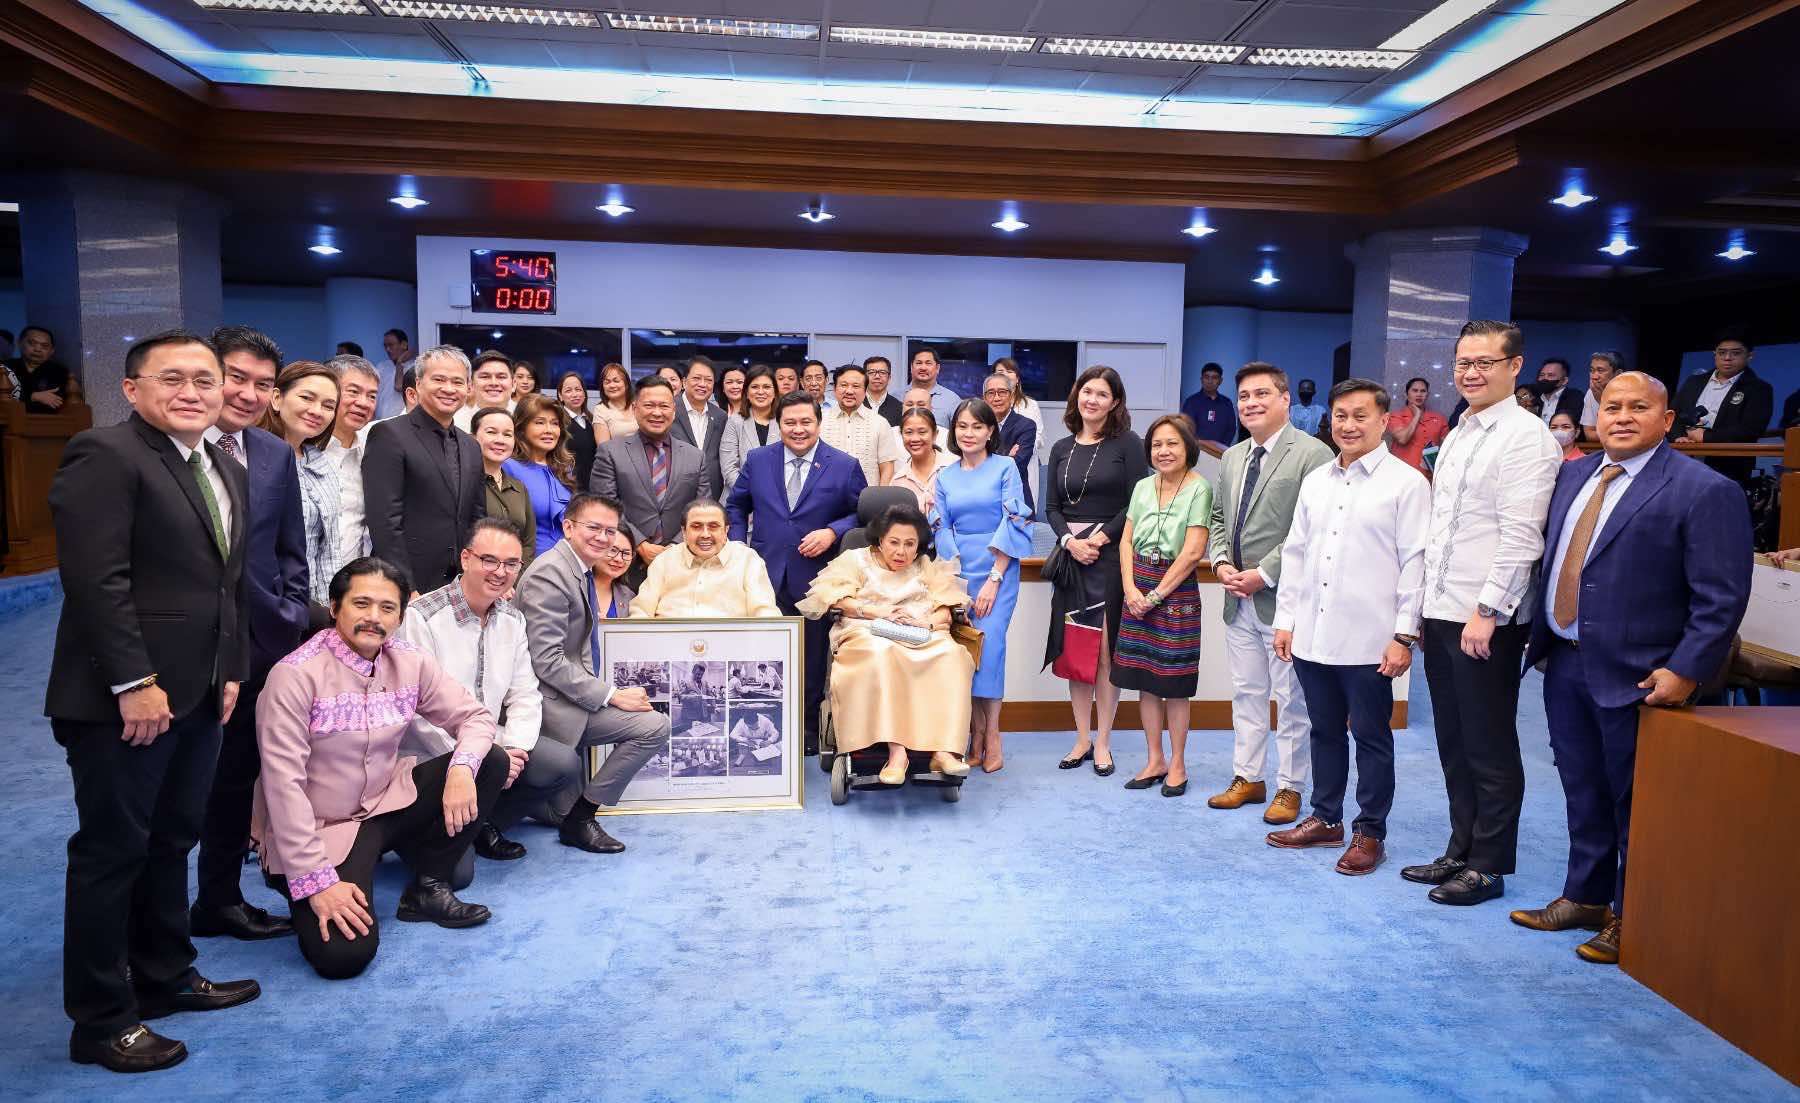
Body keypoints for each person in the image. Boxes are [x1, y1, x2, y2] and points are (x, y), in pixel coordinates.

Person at [47, 329, 256, 1073]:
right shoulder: (107, 454)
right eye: (174, 378)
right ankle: (102, 1018)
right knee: (112, 851)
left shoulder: (221, 467)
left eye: (206, 378)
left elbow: (222, 585)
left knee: (174, 838)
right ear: (132, 388)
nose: (195, 391)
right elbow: (96, 581)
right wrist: (133, 682)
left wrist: (230, 668)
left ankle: (164, 975)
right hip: (123, 699)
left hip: (201, 691)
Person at [1511, 372, 1752, 963]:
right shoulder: (1573, 474)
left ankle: (1631, 911)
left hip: (1643, 676)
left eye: (1638, 407)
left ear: (1666, 420)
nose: (1621, 416)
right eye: (1612, 406)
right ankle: (1585, 896)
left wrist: (1686, 669)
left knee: (1635, 802)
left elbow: (1720, 597)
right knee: (1581, 789)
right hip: (1565, 662)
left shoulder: (1703, 489)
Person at [253, 558, 511, 980]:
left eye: (388, 608)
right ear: (335, 607)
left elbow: (476, 719)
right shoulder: (294, 676)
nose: (375, 618)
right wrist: (317, 883)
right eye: (362, 604)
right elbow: (284, 789)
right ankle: (302, 884)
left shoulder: (410, 661)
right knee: (343, 957)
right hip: (321, 827)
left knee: (489, 761)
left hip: (385, 805)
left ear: (400, 616)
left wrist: (462, 770)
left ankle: (427, 889)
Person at [1407, 320, 1562, 907]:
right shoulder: (1463, 430)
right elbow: (1442, 528)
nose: (1471, 372)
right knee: (1453, 737)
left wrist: (1488, 609)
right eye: (1463, 362)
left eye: (1485, 362)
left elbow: (1521, 536)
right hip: (1444, 609)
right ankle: (1460, 848)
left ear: (1515, 365)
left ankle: (1490, 866)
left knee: (1490, 743)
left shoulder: (1525, 437)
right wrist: (1424, 607)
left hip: (1485, 616)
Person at [1267, 379, 1430, 876]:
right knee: (1323, 732)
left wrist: (1404, 635)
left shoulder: (1406, 484)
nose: (1349, 425)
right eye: (1341, 415)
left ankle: (1369, 832)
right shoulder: (1317, 480)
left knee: (1372, 736)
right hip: (1314, 635)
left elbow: (1416, 563)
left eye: (1361, 415)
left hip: (1370, 641)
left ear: (1385, 421)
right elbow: (1295, 553)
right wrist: (1286, 620)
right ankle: (1325, 817)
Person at [193, 325, 311, 943]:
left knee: (239, 775)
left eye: (262, 384)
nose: (248, 394)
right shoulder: (171, 451)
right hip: (186, 649)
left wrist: (292, 613)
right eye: (236, 377)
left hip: (263, 640)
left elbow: (291, 547)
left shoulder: (271, 455)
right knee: (175, 789)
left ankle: (217, 898)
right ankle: (147, 934)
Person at [1205, 362, 1334, 824]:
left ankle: (1290, 787)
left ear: (1284, 399)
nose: (1251, 403)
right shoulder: (1235, 455)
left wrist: (1263, 572)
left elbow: (1311, 529)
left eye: (1261, 394)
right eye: (1243, 397)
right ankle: (1249, 777)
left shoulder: (1314, 454)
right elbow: (1219, 518)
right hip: (1236, 597)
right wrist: (1221, 562)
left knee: (1291, 698)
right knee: (1246, 692)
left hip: (1284, 599)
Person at [516, 494, 671, 854]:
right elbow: (547, 660)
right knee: (555, 808)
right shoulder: (550, 574)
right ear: (568, 527)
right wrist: (610, 694)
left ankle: (582, 816)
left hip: (573, 700)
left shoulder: (579, 569)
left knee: (653, 725)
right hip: (550, 708)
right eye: (594, 528)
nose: (603, 538)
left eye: (610, 531)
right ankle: (512, 809)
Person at [398, 519, 544, 867]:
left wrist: (511, 749)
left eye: (511, 564)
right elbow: (415, 711)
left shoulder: (513, 619)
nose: (500, 572)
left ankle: (481, 821)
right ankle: (421, 830)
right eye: (489, 560)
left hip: (489, 744)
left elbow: (526, 693)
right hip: (432, 755)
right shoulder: (422, 617)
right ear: (466, 559)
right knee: (457, 875)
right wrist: (479, 759)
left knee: (559, 767)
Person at [726, 392, 867, 749]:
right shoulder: (758, 459)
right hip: (763, 574)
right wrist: (740, 546)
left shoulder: (843, 465)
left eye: (806, 422)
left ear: (819, 424)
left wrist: (832, 531)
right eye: (790, 422)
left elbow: (862, 514)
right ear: (779, 424)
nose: (798, 429)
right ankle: (766, 723)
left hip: (816, 578)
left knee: (810, 657)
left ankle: (803, 731)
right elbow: (736, 504)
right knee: (764, 656)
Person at [798, 504, 975, 782]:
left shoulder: (925, 566)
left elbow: (947, 605)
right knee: (882, 653)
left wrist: (925, 623)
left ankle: (943, 750)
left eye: (910, 544)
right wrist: (875, 611)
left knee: (952, 655)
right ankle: (897, 753)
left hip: (916, 630)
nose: (901, 552)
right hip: (866, 629)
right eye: (894, 542)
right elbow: (832, 598)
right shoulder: (855, 560)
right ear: (880, 539)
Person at [1045, 366, 1146, 777]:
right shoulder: (1060, 447)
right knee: (1076, 653)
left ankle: (1103, 740)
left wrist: (1100, 539)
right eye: (1087, 392)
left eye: (1102, 394)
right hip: (1071, 559)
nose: (1092, 400)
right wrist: (1070, 542)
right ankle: (1081, 737)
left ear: (1115, 402)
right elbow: (1051, 507)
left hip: (1107, 557)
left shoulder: (1128, 444)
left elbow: (1136, 501)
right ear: (1077, 397)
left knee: (1104, 652)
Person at [1112, 415, 1212, 797]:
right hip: (1137, 584)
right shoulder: (1141, 487)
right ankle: (1154, 758)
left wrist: (1154, 596)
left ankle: (1178, 764)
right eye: (1157, 444)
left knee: (1174, 684)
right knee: (1144, 681)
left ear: (1188, 447)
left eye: (1172, 443)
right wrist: (1130, 589)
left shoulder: (1199, 488)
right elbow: (1126, 542)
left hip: (1175, 593)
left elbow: (1192, 552)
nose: (1164, 451)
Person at [935, 398, 1034, 773]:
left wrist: (994, 578)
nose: (969, 433)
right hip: (958, 573)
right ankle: (972, 736)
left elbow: (1014, 520)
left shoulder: (1005, 467)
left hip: (998, 570)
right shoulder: (945, 476)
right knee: (964, 656)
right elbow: (940, 526)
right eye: (962, 426)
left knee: (989, 652)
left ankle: (992, 736)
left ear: (991, 431)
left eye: (977, 426)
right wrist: (955, 578)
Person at [364, 345, 485, 594]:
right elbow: (385, 521)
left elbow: (477, 518)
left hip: (461, 584)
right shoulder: (389, 434)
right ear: (418, 385)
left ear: (468, 388)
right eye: (438, 379)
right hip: (409, 584)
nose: (449, 389)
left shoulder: (471, 445)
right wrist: (405, 585)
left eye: (458, 382)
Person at [589, 375, 712, 584]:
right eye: (649, 405)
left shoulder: (695, 456)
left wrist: (675, 548)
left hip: (682, 565)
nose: (657, 412)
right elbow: (605, 508)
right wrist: (640, 545)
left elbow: (701, 509)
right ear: (635, 408)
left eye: (664, 406)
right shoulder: (611, 452)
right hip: (625, 564)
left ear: (673, 411)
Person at [260, 361, 344, 605]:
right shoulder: (252, 458)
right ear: (276, 398)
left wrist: (332, 606)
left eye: (328, 405)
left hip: (315, 605)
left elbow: (328, 548)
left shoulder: (320, 462)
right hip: (270, 603)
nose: (317, 411)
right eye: (307, 398)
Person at [629, 498, 781, 618]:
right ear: (684, 531)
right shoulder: (664, 560)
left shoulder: (748, 560)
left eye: (713, 526)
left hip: (732, 651)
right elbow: (641, 612)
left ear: (726, 530)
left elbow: (765, 614)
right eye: (696, 526)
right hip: (669, 650)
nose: (705, 534)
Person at [1673, 328, 1775, 485]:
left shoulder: (1759, 389)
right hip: (1684, 461)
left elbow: (1751, 429)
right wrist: (1678, 437)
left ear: (1749, 356)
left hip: (1729, 467)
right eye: (1722, 353)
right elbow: (1673, 415)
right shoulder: (1694, 382)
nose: (1727, 358)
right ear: (1715, 354)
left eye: (1735, 353)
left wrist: (1705, 437)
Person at [504, 394, 576, 559]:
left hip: (567, 562)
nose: (549, 430)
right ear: (521, 428)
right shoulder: (508, 467)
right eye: (539, 422)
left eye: (555, 423)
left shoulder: (564, 468)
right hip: (530, 564)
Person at [324, 354, 380, 564]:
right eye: (354, 392)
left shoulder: (373, 452)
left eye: (372, 396)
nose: (363, 403)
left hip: (352, 583)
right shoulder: (299, 450)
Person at [471, 406, 536, 567]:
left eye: (507, 434)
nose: (500, 440)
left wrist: (514, 576)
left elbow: (528, 542)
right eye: (491, 432)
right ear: (472, 438)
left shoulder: (519, 488)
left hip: (512, 582)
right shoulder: (463, 483)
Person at [820, 362, 902, 487]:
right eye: (843, 385)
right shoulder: (820, 421)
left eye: (856, 386)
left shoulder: (880, 423)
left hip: (867, 500)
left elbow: (887, 467)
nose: (849, 391)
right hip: (826, 498)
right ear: (835, 389)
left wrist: (880, 500)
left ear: (865, 390)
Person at [991, 357, 1046, 506]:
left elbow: (1039, 437)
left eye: (1009, 371)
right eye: (1000, 372)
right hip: (994, 470)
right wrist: (1006, 455)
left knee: (1023, 503)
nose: (1005, 375)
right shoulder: (988, 406)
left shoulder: (1030, 405)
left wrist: (1023, 445)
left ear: (1017, 379)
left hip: (1026, 461)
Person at [673, 356, 729, 495]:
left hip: (711, 493)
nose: (703, 384)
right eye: (697, 378)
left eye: (708, 380)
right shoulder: (669, 409)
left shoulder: (720, 416)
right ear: (684, 382)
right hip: (675, 492)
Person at [983, 372, 1037, 511]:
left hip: (1016, 503)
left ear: (1012, 396)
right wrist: (1007, 457)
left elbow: (1017, 466)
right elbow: (971, 466)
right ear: (984, 398)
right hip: (984, 503)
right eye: (991, 393)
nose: (996, 398)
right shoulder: (977, 427)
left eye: (1002, 392)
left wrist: (987, 461)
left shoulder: (1026, 425)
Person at [720, 365, 778, 492]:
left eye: (766, 387)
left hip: (777, 500)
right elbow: (729, 469)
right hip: (740, 500)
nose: (761, 392)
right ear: (746, 392)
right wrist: (752, 494)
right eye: (755, 387)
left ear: (775, 393)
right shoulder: (735, 421)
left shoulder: (784, 421)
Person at [1386, 376, 1449, 477]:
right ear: (1407, 394)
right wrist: (1417, 415)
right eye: (1415, 391)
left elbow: (1448, 447)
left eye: (1423, 391)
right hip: (1401, 475)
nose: (1419, 394)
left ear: (1427, 395)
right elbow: (1402, 439)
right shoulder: (1396, 416)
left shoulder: (1439, 418)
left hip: (1429, 476)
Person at [892, 407, 953, 511]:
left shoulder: (953, 469)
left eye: (922, 432)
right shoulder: (897, 482)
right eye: (909, 432)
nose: (915, 439)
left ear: (935, 434)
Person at [7, 324, 73, 412]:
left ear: (52, 351)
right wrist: (33, 396)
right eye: (32, 343)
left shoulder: (59, 371)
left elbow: (57, 401)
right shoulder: (5, 367)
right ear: (19, 343)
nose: (37, 349)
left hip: (46, 422)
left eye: (44, 346)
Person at [454, 350, 518, 432]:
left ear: (514, 384)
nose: (493, 383)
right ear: (470, 384)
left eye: (501, 377)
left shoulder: (526, 419)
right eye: (485, 377)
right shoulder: (456, 423)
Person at [556, 370, 599, 489]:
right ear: (560, 395)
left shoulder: (592, 420)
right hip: (570, 487)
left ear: (584, 393)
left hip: (593, 486)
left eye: (578, 389)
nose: (575, 394)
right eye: (568, 390)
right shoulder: (558, 422)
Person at [1181, 362, 1237, 446]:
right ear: (1201, 379)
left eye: (1214, 378)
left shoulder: (1226, 403)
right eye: (1206, 377)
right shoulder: (1191, 402)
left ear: (1220, 381)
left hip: (1219, 453)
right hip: (1196, 451)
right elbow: (1186, 428)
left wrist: (1220, 448)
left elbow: (1231, 429)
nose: (1210, 381)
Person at [909, 347, 962, 425]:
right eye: (919, 363)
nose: (923, 368)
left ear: (937, 368)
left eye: (928, 363)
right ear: (911, 367)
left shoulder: (953, 400)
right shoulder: (896, 396)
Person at [1580, 352, 1623, 443]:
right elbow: (1589, 434)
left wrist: (1602, 402)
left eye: (1600, 371)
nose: (1594, 377)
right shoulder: (1591, 393)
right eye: (1592, 370)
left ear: (1618, 374)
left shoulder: (1632, 393)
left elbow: (1624, 431)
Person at [592, 361, 637, 444]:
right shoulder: (601, 410)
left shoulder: (638, 405)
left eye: (616, 381)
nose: (612, 385)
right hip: (618, 456)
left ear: (626, 384)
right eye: (607, 382)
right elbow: (604, 449)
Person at [375, 327, 413, 420]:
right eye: (385, 346)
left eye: (391, 345)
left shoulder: (414, 367)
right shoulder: (382, 366)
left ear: (404, 345)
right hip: (379, 422)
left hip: (401, 422)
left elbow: (399, 386)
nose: (387, 349)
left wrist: (399, 364)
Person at [1534, 357, 1584, 425]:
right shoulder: (1534, 397)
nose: (1545, 378)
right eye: (1542, 375)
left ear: (1564, 381)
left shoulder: (1575, 398)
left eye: (1550, 375)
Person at [864, 355, 903, 426]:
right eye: (872, 372)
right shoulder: (855, 404)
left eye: (882, 372)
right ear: (864, 377)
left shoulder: (900, 408)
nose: (877, 376)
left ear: (889, 378)